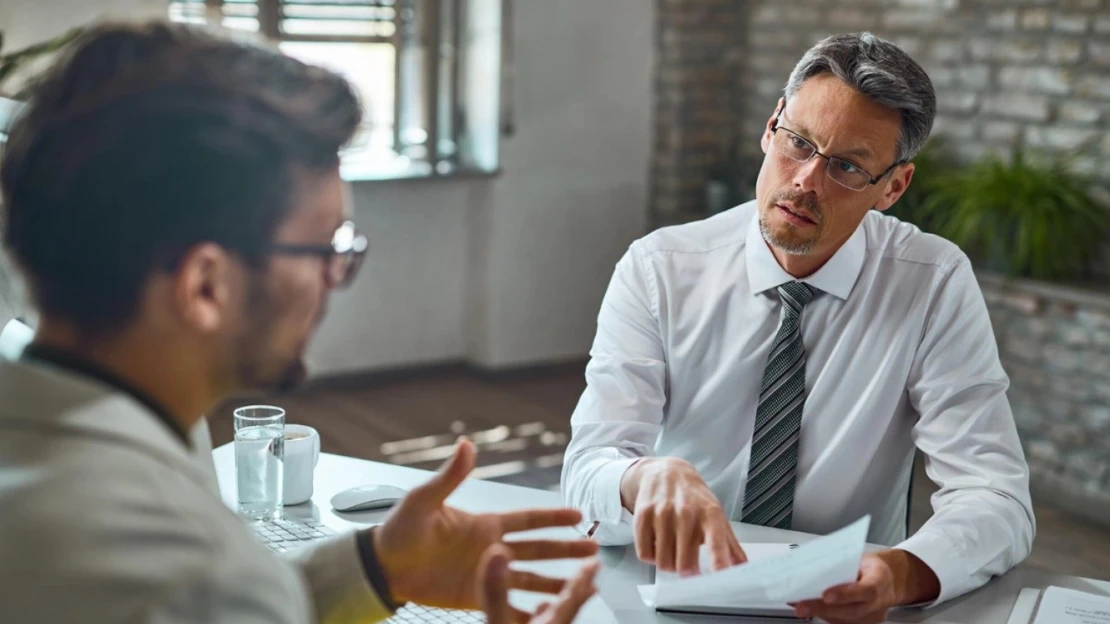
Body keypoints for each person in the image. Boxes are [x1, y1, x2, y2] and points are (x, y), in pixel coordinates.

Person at [0, 22, 598, 624]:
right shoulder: (187, 572)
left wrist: (373, 570)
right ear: (205, 285)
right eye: (321, 250)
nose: (334, 280)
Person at [562, 32, 1035, 624]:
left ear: (893, 187)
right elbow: (586, 469)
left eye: (845, 166)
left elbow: (996, 497)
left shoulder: (932, 282)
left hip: (845, 606)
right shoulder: (659, 268)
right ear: (770, 128)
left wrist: (903, 572)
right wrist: (640, 476)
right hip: (668, 595)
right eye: (799, 143)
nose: (806, 180)